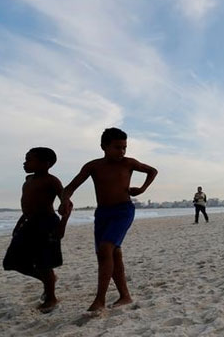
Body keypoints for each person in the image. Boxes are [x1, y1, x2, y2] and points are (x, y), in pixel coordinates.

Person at [62, 128, 157, 312]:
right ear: (103, 147)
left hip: (123, 211)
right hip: (103, 214)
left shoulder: (129, 163)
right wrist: (65, 200)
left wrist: (142, 189)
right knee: (111, 254)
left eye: (124, 147)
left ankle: (100, 300)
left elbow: (152, 171)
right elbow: (70, 187)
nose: (122, 152)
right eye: (117, 147)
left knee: (106, 248)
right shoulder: (93, 166)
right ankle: (125, 296)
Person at [3, 147, 72, 313]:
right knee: (12, 262)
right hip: (29, 223)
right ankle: (49, 280)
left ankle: (51, 298)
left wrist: (62, 224)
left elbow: (67, 203)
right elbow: (27, 207)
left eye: (29, 159)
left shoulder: (51, 180)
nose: (25, 163)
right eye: (25, 159)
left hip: (47, 223)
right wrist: (20, 223)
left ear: (45, 164)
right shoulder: (28, 180)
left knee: (44, 262)